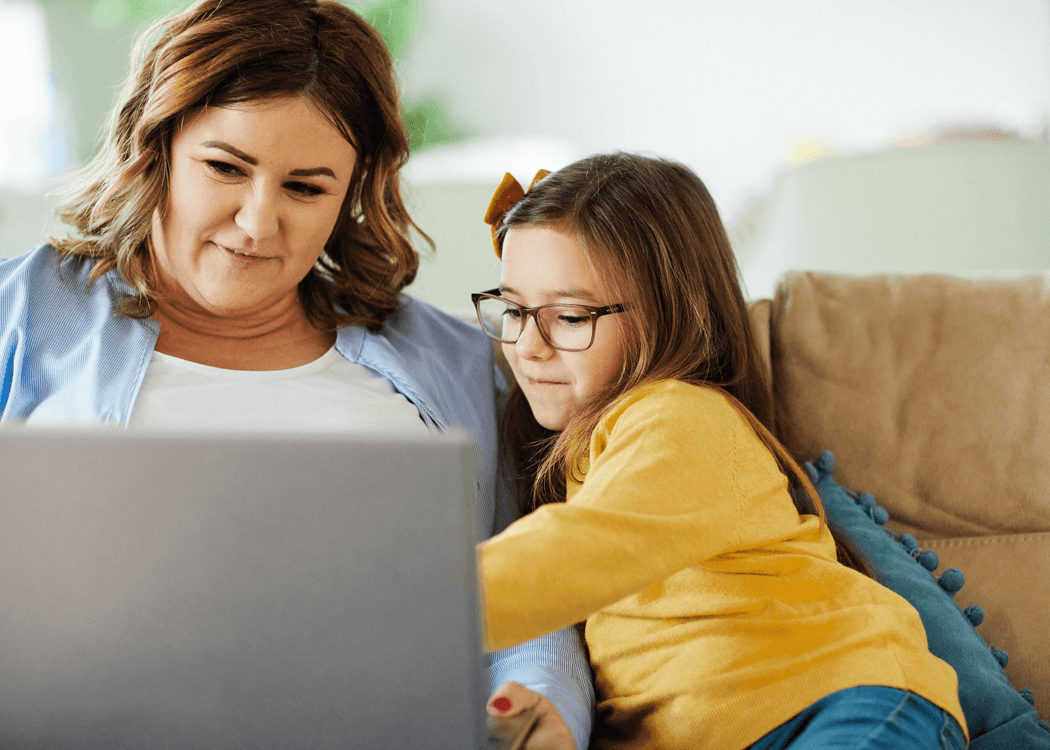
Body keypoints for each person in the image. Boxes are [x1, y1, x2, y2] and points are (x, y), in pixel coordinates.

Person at [0, 0, 592, 746]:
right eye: (224, 168)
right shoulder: (19, 313)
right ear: (154, 148)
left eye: (306, 187)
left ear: (351, 196)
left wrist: (542, 701)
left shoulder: (466, 362)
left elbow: (536, 586)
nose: (256, 222)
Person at [474, 152, 969, 750]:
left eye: (571, 316)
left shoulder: (678, 414)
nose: (527, 345)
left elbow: (580, 548)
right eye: (513, 309)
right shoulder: (575, 456)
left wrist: (414, 604)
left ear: (670, 312)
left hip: (839, 702)